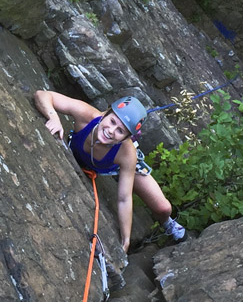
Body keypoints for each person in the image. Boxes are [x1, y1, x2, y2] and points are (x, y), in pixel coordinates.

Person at [34, 89, 187, 251]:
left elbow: (124, 199)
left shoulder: (127, 154)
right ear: (105, 114)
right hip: (95, 159)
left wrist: (126, 239)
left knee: (163, 208)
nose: (111, 131)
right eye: (112, 121)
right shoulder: (87, 115)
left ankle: (167, 223)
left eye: (120, 131)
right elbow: (42, 95)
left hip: (114, 165)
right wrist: (53, 117)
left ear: (126, 138)